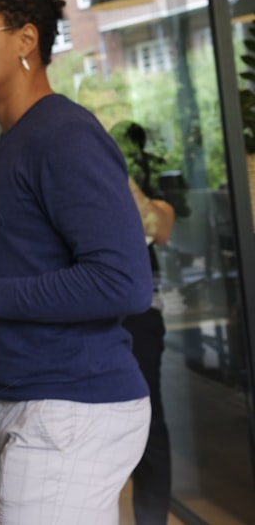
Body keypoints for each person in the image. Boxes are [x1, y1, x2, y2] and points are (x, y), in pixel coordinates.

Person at [0, 0, 153, 524]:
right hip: (32, 399)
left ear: (25, 40)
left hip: (74, 404)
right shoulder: (6, 151)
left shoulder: (64, 133)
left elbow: (124, 280)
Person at [111, 120, 177, 525]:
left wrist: (121, 175)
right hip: (101, 318)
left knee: (151, 428)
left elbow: (160, 227)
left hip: (141, 317)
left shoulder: (144, 191)